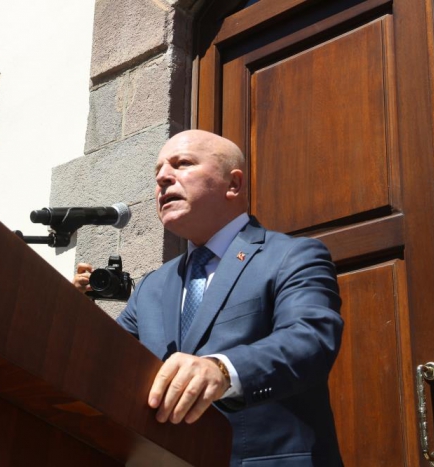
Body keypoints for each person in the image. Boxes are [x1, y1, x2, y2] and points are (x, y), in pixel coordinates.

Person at [73, 129, 344, 466]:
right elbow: (107, 362)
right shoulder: (151, 287)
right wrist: (72, 309)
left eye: (182, 163)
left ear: (234, 184)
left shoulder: (291, 256)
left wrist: (223, 370)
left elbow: (311, 340)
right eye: (158, 171)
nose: (162, 178)